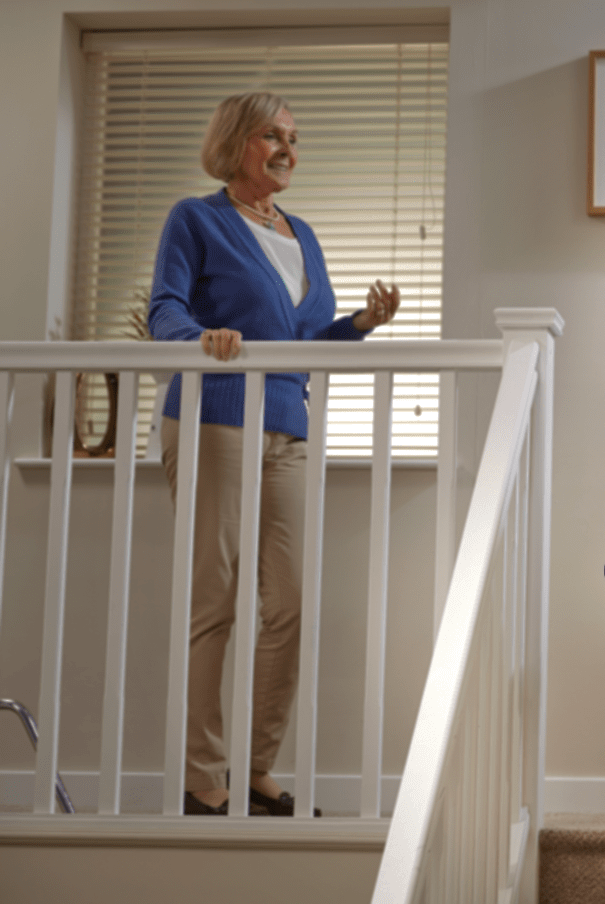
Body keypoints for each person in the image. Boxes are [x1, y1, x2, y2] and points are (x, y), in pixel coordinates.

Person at [149, 91, 401, 816]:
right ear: (236, 142)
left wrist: (360, 322)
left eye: (295, 136)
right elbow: (166, 306)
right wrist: (200, 339)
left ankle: (255, 772)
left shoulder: (302, 233)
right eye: (272, 135)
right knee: (215, 600)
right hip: (214, 416)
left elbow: (305, 341)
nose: (289, 148)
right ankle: (203, 780)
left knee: (287, 604)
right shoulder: (196, 218)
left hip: (288, 422)